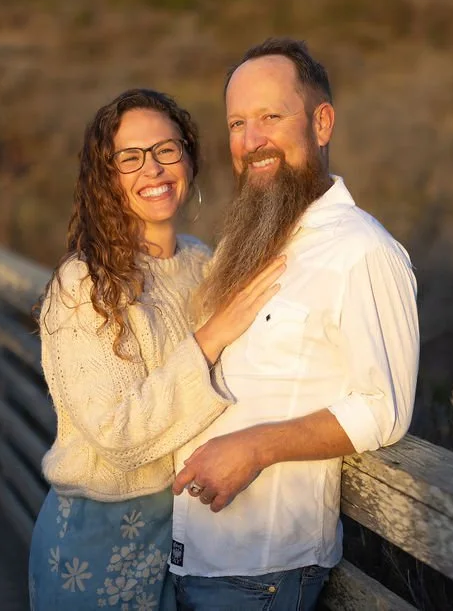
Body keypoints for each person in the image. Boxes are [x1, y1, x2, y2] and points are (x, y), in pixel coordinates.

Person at [168, 38, 420, 610]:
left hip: (261, 573)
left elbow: (384, 406)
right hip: (191, 554)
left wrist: (258, 447)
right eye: (236, 123)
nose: (251, 141)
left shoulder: (361, 250)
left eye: (270, 117)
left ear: (322, 122)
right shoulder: (244, 241)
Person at [29, 88, 285, 611]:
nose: (153, 168)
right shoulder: (84, 285)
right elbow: (117, 435)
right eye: (130, 157)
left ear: (189, 159)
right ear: (106, 176)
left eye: (168, 149)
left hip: (192, 536)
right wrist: (211, 335)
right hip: (99, 546)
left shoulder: (199, 262)